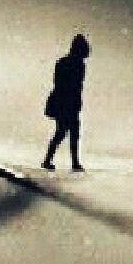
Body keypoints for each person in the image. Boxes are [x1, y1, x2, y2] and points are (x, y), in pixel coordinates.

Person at [42, 34, 90, 171]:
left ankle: (56, 160)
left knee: (65, 132)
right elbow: (71, 85)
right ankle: (67, 161)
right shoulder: (76, 65)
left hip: (65, 102)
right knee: (66, 132)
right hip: (66, 102)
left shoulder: (66, 62)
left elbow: (64, 83)